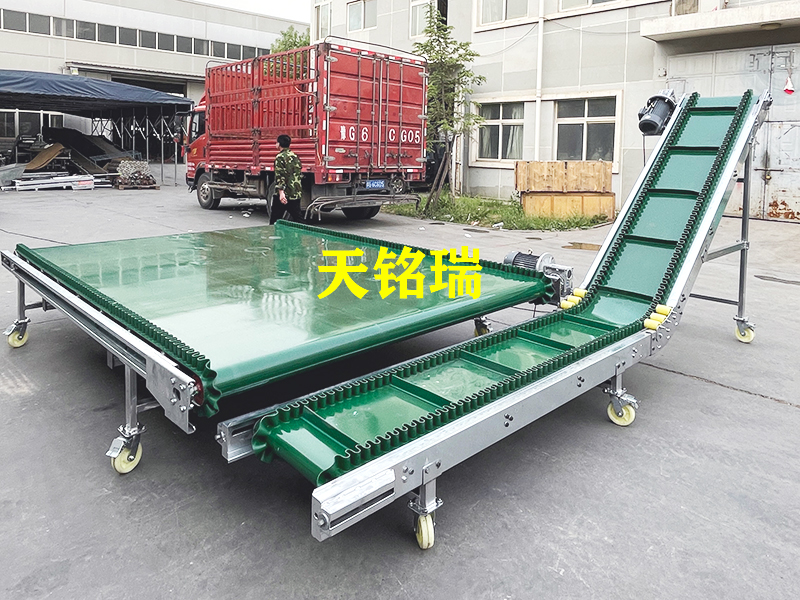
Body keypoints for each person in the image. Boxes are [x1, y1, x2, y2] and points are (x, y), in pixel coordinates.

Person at [269, 134, 304, 224]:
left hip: (285, 193)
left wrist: (281, 193)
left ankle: (274, 232)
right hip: (295, 192)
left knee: (275, 220)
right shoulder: (295, 156)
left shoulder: (280, 157)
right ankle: (304, 231)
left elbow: (280, 176)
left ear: (279, 144)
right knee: (298, 218)